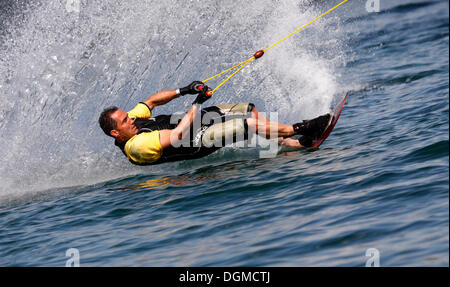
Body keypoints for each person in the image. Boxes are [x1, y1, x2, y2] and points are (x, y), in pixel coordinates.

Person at [98, 81, 331, 165]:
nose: (131, 119)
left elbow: (151, 102)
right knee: (247, 125)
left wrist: (184, 90)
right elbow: (178, 135)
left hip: (192, 121)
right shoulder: (137, 146)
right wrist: (197, 101)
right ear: (116, 134)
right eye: (125, 121)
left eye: (128, 116)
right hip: (194, 141)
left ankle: (292, 144)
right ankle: (302, 128)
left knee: (247, 109)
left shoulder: (132, 121)